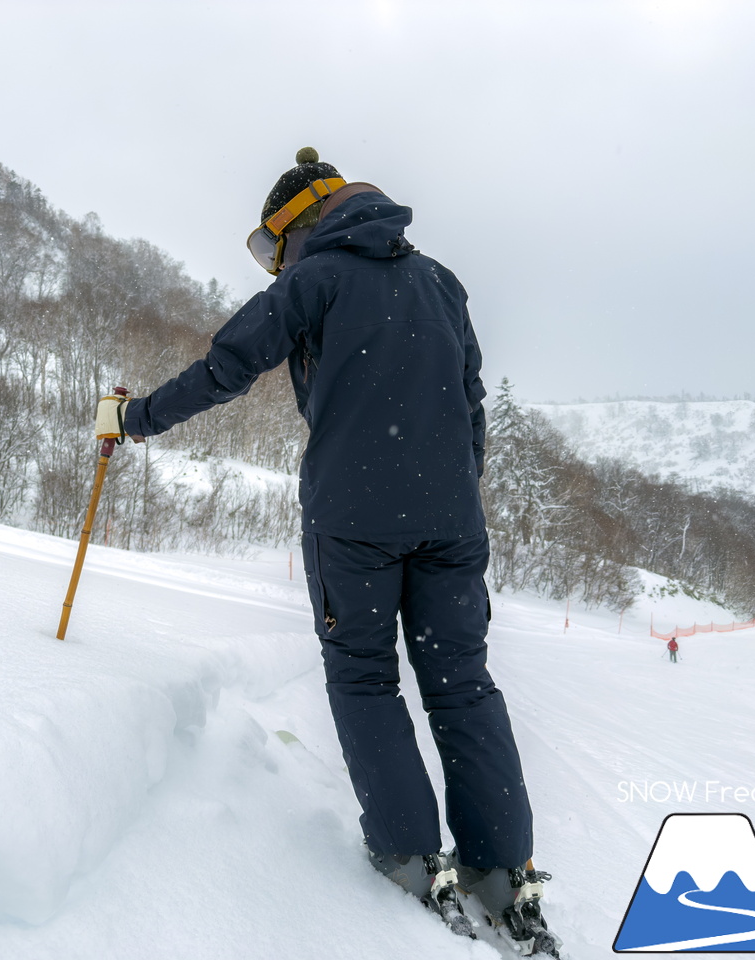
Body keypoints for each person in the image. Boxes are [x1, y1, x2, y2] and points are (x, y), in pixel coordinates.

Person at [95, 148, 559, 957]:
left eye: (272, 247)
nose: (274, 264)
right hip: (452, 522)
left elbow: (225, 369)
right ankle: (502, 870)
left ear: (300, 224)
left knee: (365, 676)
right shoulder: (440, 282)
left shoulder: (314, 281)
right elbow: (472, 400)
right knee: (463, 685)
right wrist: (453, 486)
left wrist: (134, 420)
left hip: (354, 520)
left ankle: (411, 856)